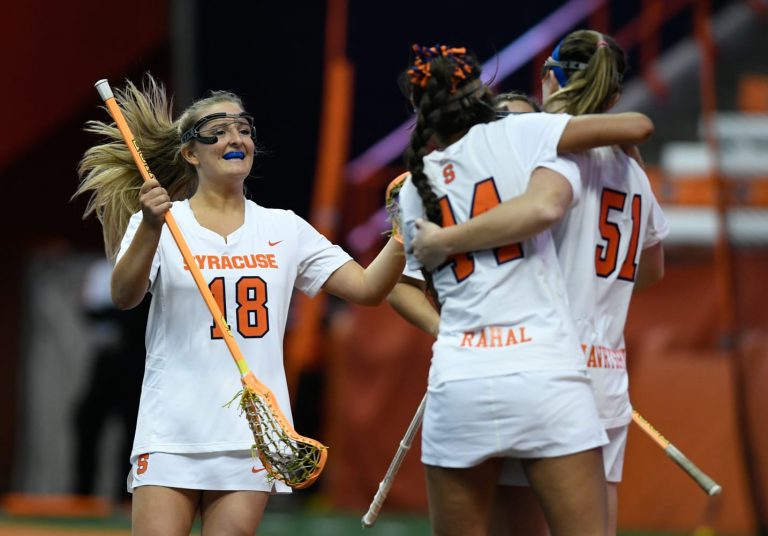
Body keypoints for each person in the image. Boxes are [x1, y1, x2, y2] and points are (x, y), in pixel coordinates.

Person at [73, 75, 404, 536]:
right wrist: (150, 226)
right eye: (219, 128)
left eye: (244, 129)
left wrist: (406, 234)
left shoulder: (285, 228)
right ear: (191, 152)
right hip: (172, 431)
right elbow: (124, 297)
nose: (236, 137)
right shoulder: (161, 221)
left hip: (251, 437)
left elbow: (368, 289)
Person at [408, 32, 669, 535]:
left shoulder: (537, 143)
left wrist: (449, 241)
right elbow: (649, 273)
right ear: (612, 95)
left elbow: (528, 211)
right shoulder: (632, 168)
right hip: (607, 369)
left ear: (548, 77)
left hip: (543, 360)